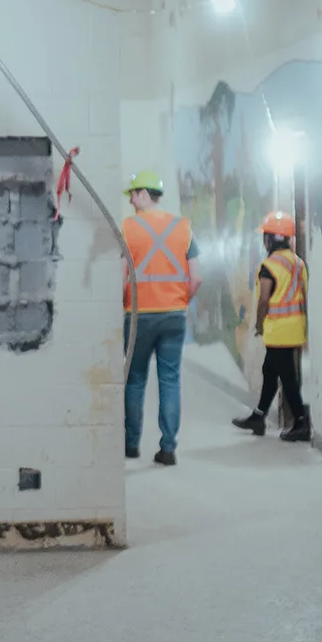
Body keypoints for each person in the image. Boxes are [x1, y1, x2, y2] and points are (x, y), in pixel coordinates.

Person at [120, 170, 201, 466]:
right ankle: (168, 448)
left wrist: (121, 306)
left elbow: (121, 277)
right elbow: (198, 278)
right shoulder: (183, 228)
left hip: (138, 315)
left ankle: (130, 444)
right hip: (174, 316)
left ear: (144, 194)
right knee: (170, 380)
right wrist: (180, 301)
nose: (130, 199)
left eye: (132, 193)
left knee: (135, 380)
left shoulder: (128, 228)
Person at [234, 211, 311, 441]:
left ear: (271, 239)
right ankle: (258, 417)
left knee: (287, 377)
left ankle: (300, 422)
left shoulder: (269, 265)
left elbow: (264, 299)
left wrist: (258, 323)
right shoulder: (298, 263)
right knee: (271, 371)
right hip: (296, 328)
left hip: (278, 330)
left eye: (265, 236)